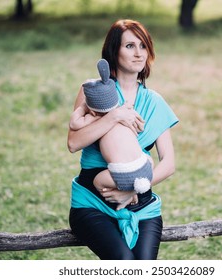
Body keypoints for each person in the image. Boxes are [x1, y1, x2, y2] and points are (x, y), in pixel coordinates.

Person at [67, 19, 178, 260]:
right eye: (129, 46)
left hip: (142, 204)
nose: (138, 53)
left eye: (143, 46)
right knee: (124, 263)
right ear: (113, 51)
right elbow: (73, 143)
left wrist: (133, 192)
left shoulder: (155, 102)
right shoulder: (96, 92)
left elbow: (168, 163)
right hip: (93, 202)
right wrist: (114, 116)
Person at [70, 58, 153, 210]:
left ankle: (127, 191)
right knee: (145, 160)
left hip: (124, 174)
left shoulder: (91, 118)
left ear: (92, 109)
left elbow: (74, 123)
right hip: (146, 166)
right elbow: (140, 126)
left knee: (97, 182)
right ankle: (135, 188)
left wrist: (83, 107)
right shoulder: (125, 111)